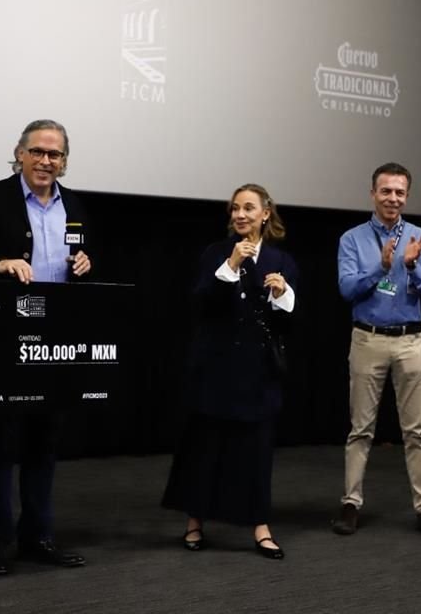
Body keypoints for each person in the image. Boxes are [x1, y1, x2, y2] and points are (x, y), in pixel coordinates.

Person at [0, 119, 90, 575]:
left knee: (43, 444)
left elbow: (89, 258)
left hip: (54, 341)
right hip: (5, 340)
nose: (46, 161)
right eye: (38, 152)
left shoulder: (76, 207)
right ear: (19, 154)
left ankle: (38, 537)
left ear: (64, 162)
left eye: (55, 155)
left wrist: (88, 262)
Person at [162, 184, 298, 560]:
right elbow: (202, 301)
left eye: (248, 208)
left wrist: (282, 292)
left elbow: (288, 317)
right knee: (205, 448)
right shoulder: (215, 254)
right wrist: (233, 263)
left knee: (255, 452)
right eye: (235, 208)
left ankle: (260, 526)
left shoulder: (280, 259)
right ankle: (194, 521)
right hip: (214, 368)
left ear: (265, 213)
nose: (240, 215)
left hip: (257, 373)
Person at [331, 162, 421, 539]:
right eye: (386, 191)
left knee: (416, 430)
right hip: (367, 338)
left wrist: (411, 266)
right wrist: (381, 268)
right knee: (360, 429)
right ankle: (350, 503)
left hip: (411, 340)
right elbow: (347, 290)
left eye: (399, 192)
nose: (392, 198)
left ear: (406, 196)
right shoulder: (352, 239)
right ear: (373, 194)